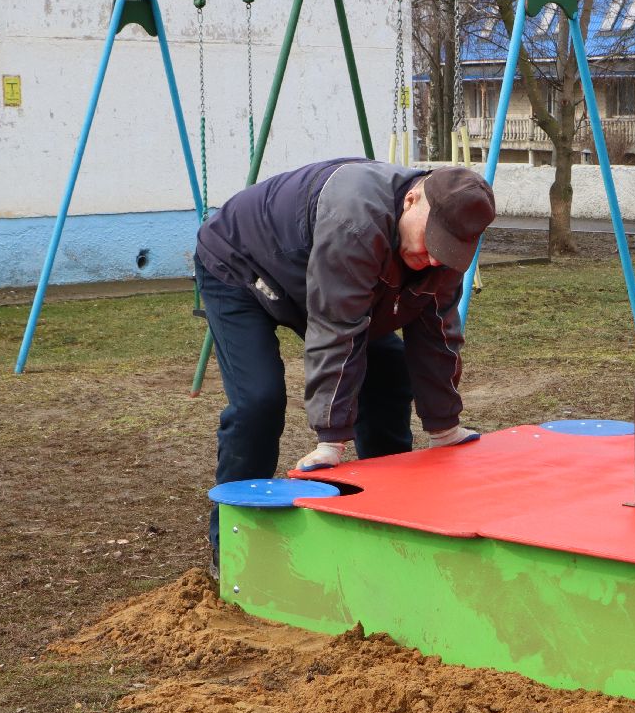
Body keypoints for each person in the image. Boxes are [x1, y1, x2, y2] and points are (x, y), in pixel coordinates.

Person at [194, 159, 495, 574]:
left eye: (446, 250)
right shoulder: (355, 219)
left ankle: (388, 516)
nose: (431, 258)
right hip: (242, 265)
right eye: (430, 241)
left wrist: (444, 427)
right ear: (411, 200)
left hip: (319, 277)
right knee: (258, 401)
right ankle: (233, 545)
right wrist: (331, 440)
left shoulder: (442, 254)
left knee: (388, 372)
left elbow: (437, 332)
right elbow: (337, 327)